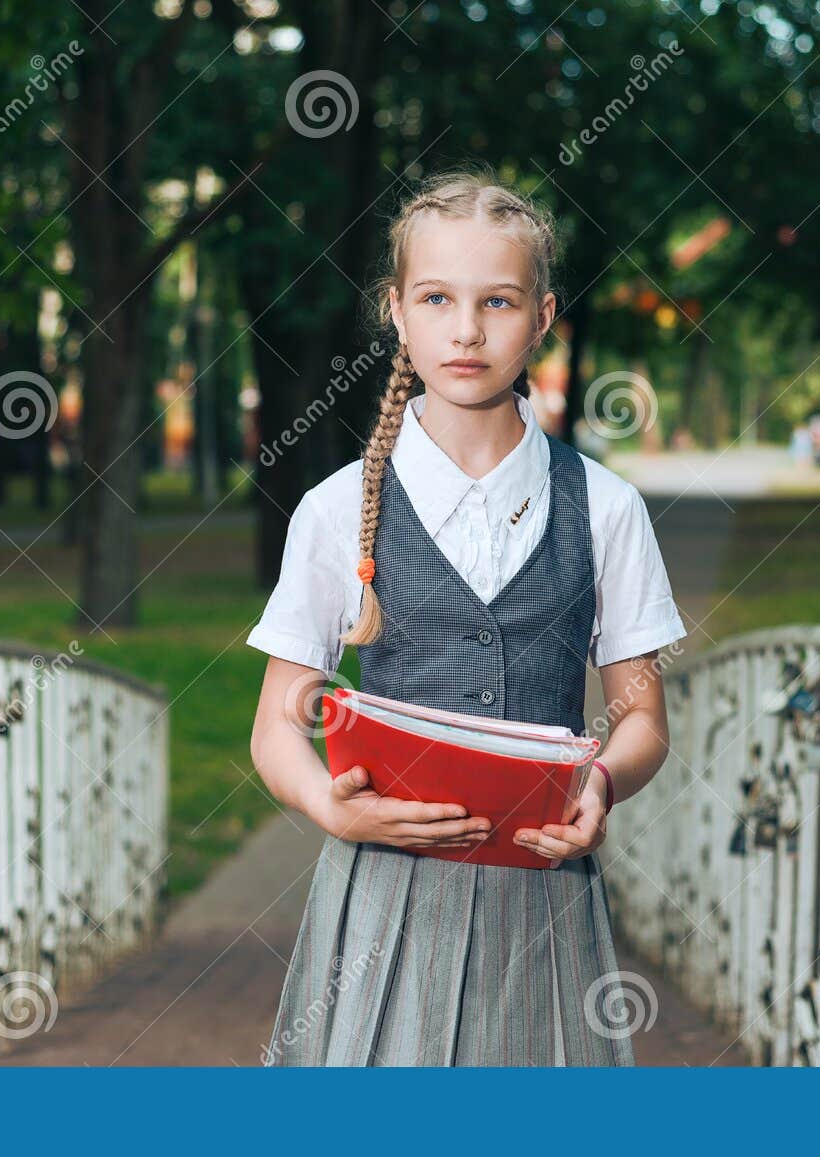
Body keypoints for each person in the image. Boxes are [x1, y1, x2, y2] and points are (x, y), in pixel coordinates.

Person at [246, 166, 687, 1066]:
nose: (467, 329)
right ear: (396, 311)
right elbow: (273, 727)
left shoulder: (607, 507)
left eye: (499, 301)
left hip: (545, 893)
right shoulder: (337, 510)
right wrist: (333, 810)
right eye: (438, 297)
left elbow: (640, 715)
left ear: (544, 315)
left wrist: (600, 783)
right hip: (384, 896)